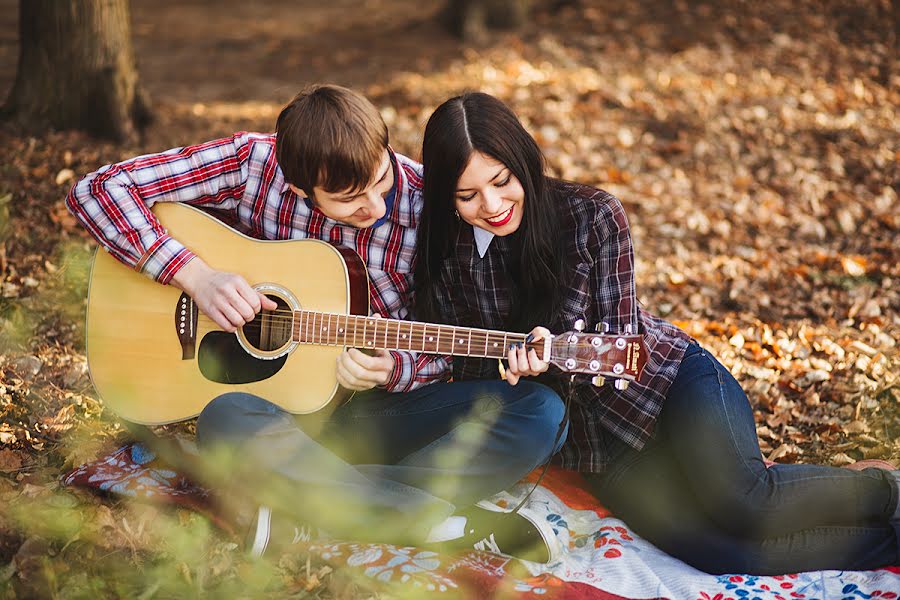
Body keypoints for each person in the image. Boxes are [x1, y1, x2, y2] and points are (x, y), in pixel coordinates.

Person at [66, 84, 569, 563]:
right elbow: (96, 190)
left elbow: (449, 336)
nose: (374, 207)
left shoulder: (430, 205)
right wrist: (195, 276)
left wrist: (392, 369)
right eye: (349, 199)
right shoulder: (253, 166)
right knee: (225, 417)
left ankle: (314, 497)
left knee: (542, 412)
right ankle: (433, 522)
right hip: (277, 417)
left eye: (380, 181)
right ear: (300, 188)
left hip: (367, 419)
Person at [413, 91, 900, 574]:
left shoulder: (593, 216)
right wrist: (508, 373)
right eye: (467, 195)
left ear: (522, 160)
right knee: (724, 553)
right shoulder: (447, 254)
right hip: (599, 450)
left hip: (668, 385)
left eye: (502, 181)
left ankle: (891, 492)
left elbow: (624, 346)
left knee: (749, 503)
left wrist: (554, 360)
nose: (492, 204)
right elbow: (467, 367)